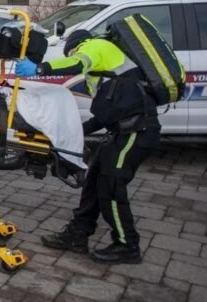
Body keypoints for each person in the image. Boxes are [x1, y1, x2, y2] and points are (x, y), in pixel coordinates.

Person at [16, 29, 160, 264]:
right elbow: (103, 117)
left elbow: (77, 62)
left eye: (72, 50)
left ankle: (127, 245)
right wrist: (72, 132)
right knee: (93, 183)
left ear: (76, 44)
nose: (75, 53)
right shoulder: (108, 70)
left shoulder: (95, 46)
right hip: (122, 131)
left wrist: (40, 69)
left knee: (111, 187)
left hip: (137, 132)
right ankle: (78, 235)